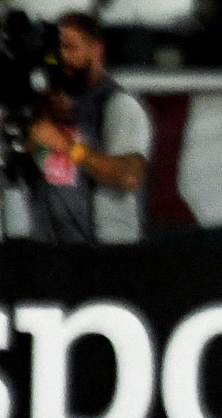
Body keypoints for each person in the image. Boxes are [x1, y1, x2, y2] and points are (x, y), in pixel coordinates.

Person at [23, 13, 151, 244]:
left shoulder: (119, 104)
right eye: (57, 50)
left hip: (106, 249)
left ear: (96, 49)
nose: (63, 57)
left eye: (71, 48)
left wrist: (67, 147)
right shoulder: (52, 106)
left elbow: (129, 176)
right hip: (53, 246)